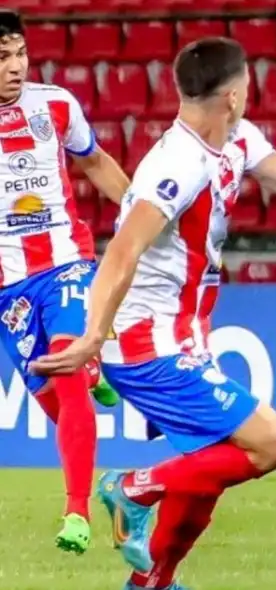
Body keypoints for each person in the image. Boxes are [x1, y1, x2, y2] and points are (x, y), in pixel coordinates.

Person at [29, 37, 276, 590]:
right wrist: (92, 337)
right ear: (233, 96)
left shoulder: (237, 139)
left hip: (184, 337)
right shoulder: (176, 165)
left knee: (209, 473)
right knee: (273, 442)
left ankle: (152, 583)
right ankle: (131, 489)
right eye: (247, 85)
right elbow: (122, 251)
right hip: (145, 344)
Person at [0, 9, 128, 554]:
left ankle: (76, 513)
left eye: (21, 54)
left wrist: (145, 218)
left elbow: (95, 162)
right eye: (3, 57)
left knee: (69, 376)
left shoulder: (55, 104)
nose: (16, 67)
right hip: (9, 289)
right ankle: (118, 489)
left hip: (66, 263)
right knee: (58, 405)